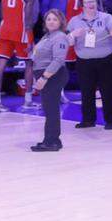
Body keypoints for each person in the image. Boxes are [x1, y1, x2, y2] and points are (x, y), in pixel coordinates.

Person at [67, 0, 112, 129]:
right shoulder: (75, 21)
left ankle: (109, 120)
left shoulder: (106, 17)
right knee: (86, 91)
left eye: (93, 1)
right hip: (84, 61)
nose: (91, 4)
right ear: (82, 5)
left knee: (107, 90)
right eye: (87, 2)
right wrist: (73, 34)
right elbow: (68, 42)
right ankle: (88, 120)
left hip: (106, 59)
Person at [0, 0, 39, 113]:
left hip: (4, 30)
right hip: (22, 31)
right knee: (29, 64)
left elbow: (2, 11)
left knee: (0, 65)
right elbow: (29, 17)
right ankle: (28, 101)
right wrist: (31, 37)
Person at [29, 9, 71, 152]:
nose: (51, 22)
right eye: (49, 19)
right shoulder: (47, 36)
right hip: (46, 74)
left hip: (53, 75)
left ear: (60, 22)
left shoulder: (59, 37)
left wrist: (44, 77)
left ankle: (51, 141)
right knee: (49, 108)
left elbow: (58, 59)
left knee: (51, 109)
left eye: (55, 19)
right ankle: (53, 140)